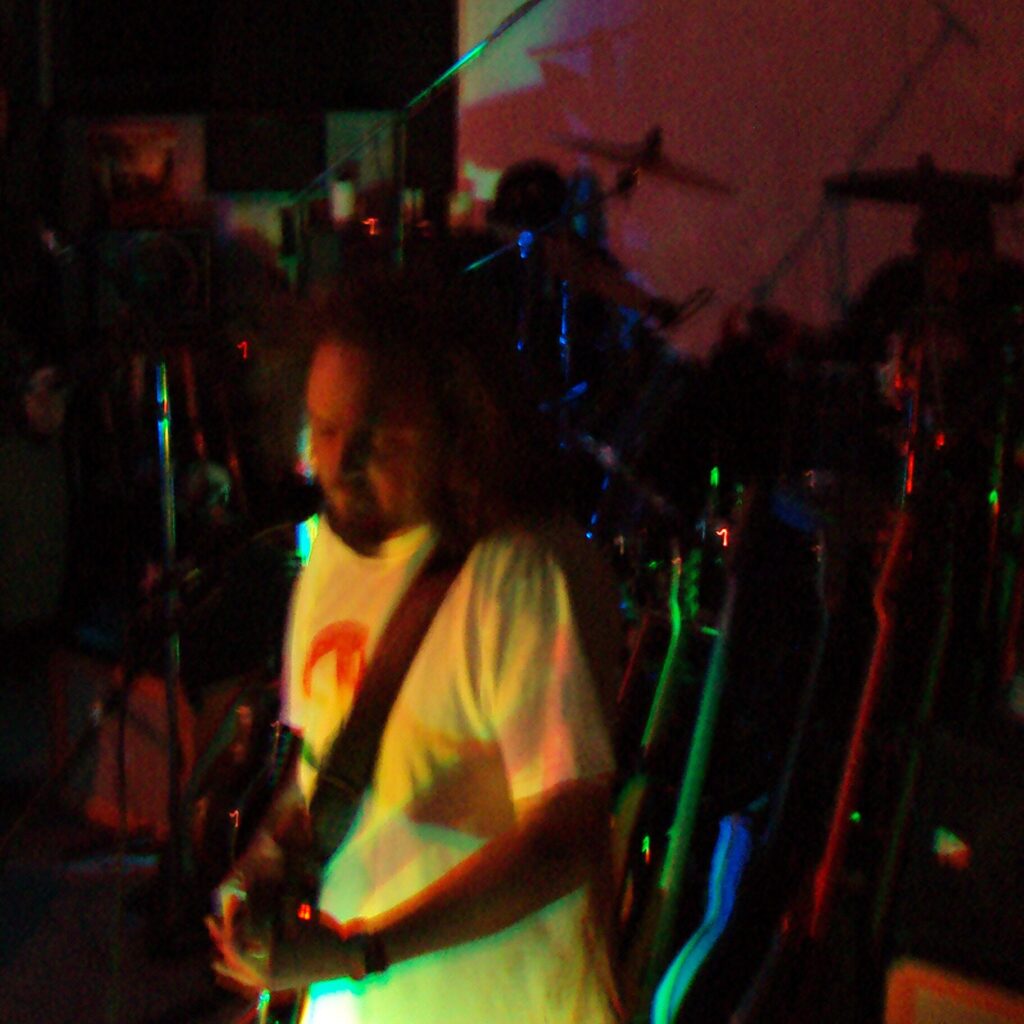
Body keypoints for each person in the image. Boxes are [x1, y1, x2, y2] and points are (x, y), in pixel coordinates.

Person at [207, 262, 624, 1024]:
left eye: (375, 434)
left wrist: (363, 952)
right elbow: (320, 772)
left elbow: (565, 838)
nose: (339, 463)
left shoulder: (522, 573)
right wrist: (265, 859)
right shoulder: (327, 560)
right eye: (325, 430)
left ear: (459, 424)